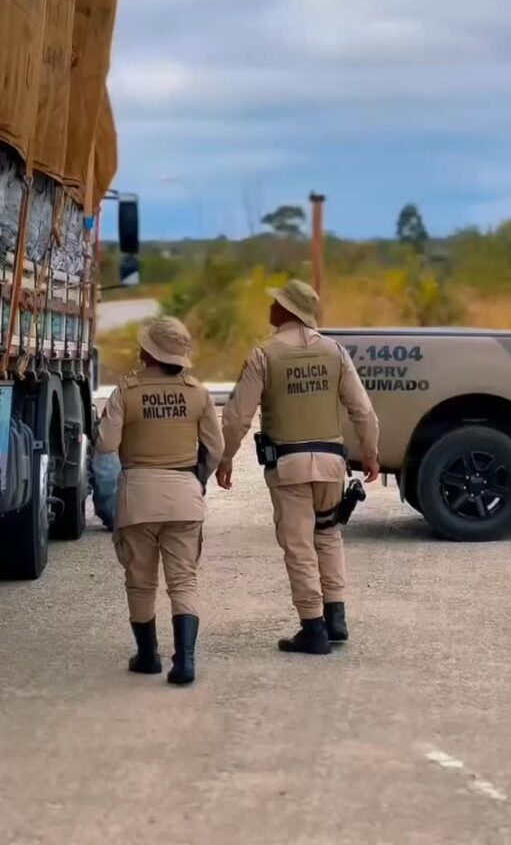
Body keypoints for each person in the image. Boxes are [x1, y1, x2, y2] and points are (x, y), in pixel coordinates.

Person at [217, 279, 380, 655]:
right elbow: (362, 410)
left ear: (288, 310)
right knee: (328, 534)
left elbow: (238, 416)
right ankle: (336, 617)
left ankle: (313, 627)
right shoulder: (335, 352)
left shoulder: (264, 355)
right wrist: (371, 454)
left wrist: (225, 458)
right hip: (331, 464)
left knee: (299, 545)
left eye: (275, 303)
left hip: (288, 466)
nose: (270, 307)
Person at [94, 316, 224, 686]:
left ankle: (148, 656)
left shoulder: (127, 391)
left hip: (138, 498)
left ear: (147, 353)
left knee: (140, 581)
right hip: (184, 496)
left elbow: (106, 444)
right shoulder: (198, 393)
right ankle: (185, 661)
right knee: (183, 580)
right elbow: (215, 449)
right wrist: (196, 479)